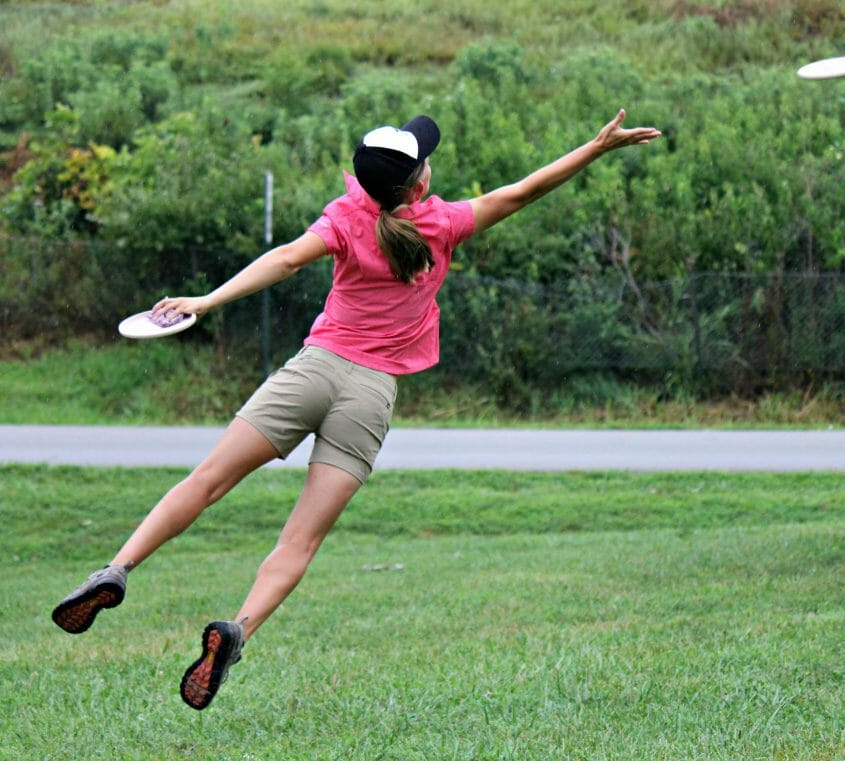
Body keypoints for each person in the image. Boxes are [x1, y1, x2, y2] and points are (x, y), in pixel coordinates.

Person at [51, 109, 661, 709]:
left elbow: (287, 258)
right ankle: (237, 631)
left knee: (206, 481)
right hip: (369, 397)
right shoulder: (443, 223)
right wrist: (597, 147)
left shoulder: (347, 217)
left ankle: (118, 567)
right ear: (419, 182)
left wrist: (207, 301)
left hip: (312, 371)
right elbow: (526, 189)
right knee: (300, 541)